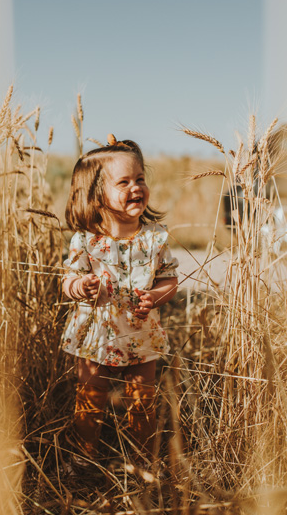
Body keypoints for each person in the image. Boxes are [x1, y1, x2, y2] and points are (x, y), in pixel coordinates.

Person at [62, 135, 178, 468]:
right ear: (96, 194)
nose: (136, 187)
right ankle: (83, 458)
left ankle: (143, 463)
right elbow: (67, 280)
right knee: (91, 395)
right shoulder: (85, 240)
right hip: (95, 334)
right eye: (124, 182)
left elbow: (169, 279)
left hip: (141, 331)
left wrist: (155, 297)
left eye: (140, 179)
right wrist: (80, 286)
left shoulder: (155, 237)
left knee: (143, 399)